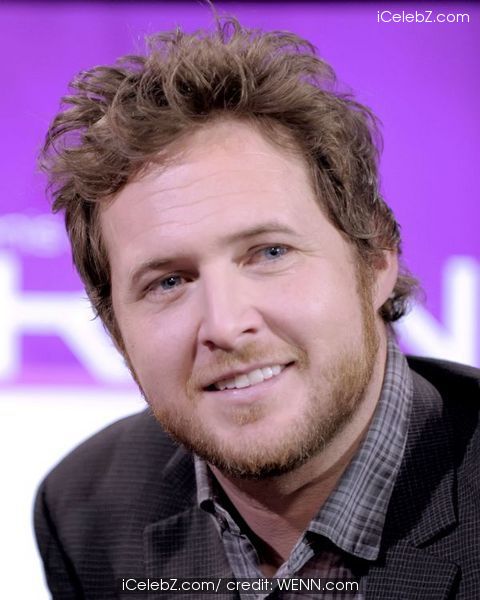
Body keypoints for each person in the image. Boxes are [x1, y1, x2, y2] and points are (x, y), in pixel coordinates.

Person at [34, 16, 479, 600]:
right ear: (116, 329)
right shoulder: (85, 512)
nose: (225, 324)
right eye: (169, 282)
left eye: (270, 253)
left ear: (375, 258)